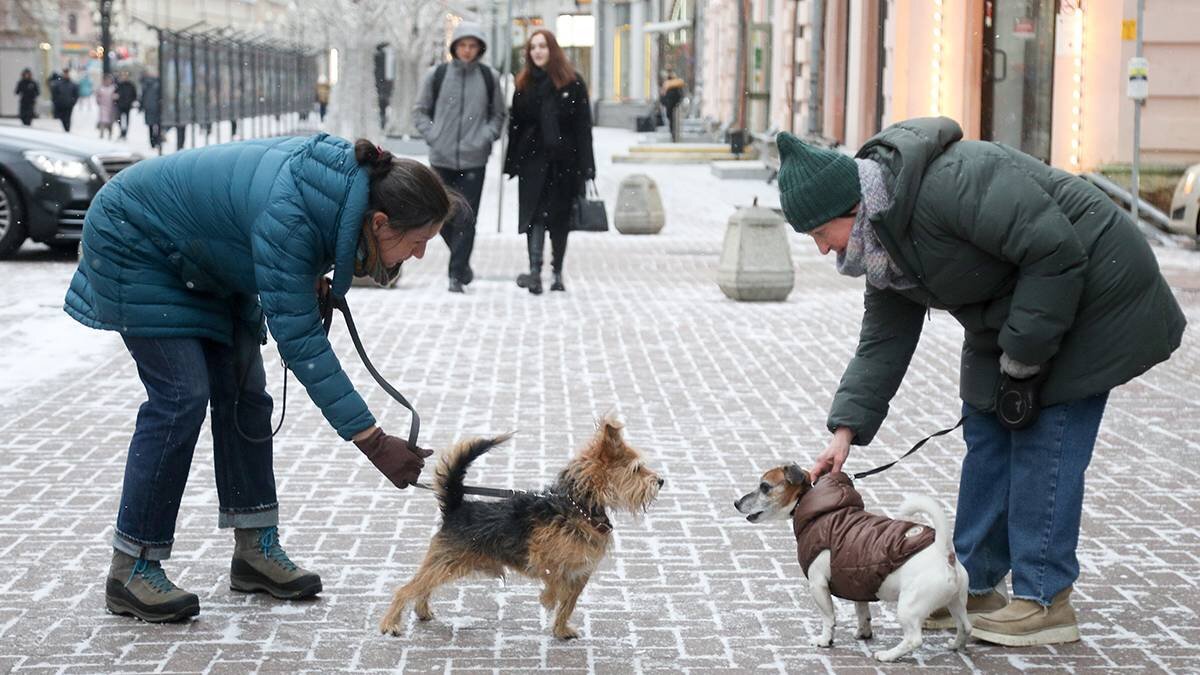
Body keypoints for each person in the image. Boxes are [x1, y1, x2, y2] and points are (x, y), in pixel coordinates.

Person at [779, 118, 1185, 646]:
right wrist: (845, 432)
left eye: (818, 233)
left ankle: (1045, 601)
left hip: (1094, 289)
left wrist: (1022, 358)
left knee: (1045, 438)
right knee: (986, 424)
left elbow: (1054, 251)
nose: (822, 249)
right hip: (1014, 306)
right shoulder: (883, 241)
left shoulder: (949, 185)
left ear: (851, 208)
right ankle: (973, 583)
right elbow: (883, 340)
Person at [63, 134, 452, 623]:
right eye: (417, 243)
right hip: (135, 238)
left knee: (246, 393)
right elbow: (304, 344)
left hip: (207, 258)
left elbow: (273, 229)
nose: (417, 256)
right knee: (183, 396)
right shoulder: (293, 217)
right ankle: (132, 568)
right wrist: (373, 442)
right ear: (379, 223)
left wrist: (307, 272)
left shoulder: (337, 196)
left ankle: (254, 552)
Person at [413, 22, 506, 294]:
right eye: (463, 45)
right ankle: (462, 262)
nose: (467, 50)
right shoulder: (438, 75)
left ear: (479, 49)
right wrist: (435, 136)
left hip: (474, 159)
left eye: (472, 45)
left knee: (466, 216)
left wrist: (485, 137)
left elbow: (499, 115)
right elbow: (419, 112)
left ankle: (455, 273)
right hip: (441, 158)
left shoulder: (489, 77)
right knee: (439, 215)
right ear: (455, 47)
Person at [503, 29, 595, 295]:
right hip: (532, 162)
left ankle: (556, 271)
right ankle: (534, 271)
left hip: (564, 163)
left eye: (543, 46)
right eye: (533, 48)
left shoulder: (572, 83)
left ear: (552, 49)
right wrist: (512, 163)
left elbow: (582, 128)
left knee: (559, 220)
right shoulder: (524, 85)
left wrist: (587, 167)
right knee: (534, 217)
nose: (538, 52)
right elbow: (515, 126)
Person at [659, 70, 686, 142]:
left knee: (671, 121)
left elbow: (662, 96)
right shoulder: (677, 85)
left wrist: (664, 103)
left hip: (670, 106)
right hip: (675, 106)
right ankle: (674, 135)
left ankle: (673, 135)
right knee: (674, 122)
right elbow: (681, 95)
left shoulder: (666, 84)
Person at [50, 68, 79, 132]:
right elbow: (54, 94)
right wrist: (56, 101)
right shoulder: (58, 84)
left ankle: (67, 129)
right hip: (61, 105)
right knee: (62, 118)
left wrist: (73, 102)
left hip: (68, 105)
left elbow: (76, 94)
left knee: (67, 118)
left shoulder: (72, 84)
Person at [140, 72, 162, 148]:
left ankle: (152, 141)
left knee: (151, 125)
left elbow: (143, 97)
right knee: (158, 125)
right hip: (157, 107)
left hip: (149, 107)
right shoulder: (159, 83)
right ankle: (157, 140)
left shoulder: (145, 84)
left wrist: (142, 106)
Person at [115, 71, 138, 140]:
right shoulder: (119, 85)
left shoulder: (131, 85)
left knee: (127, 119)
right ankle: (121, 131)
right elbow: (115, 94)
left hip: (127, 105)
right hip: (120, 105)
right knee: (119, 119)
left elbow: (134, 95)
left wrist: (132, 101)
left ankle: (125, 133)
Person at [95, 73, 117, 139]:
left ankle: (110, 135)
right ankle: (101, 134)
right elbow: (97, 97)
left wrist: (115, 98)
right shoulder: (101, 88)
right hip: (103, 107)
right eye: (107, 80)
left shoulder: (113, 88)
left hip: (111, 107)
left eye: (109, 80)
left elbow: (116, 96)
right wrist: (98, 101)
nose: (108, 81)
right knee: (103, 121)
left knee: (110, 122)